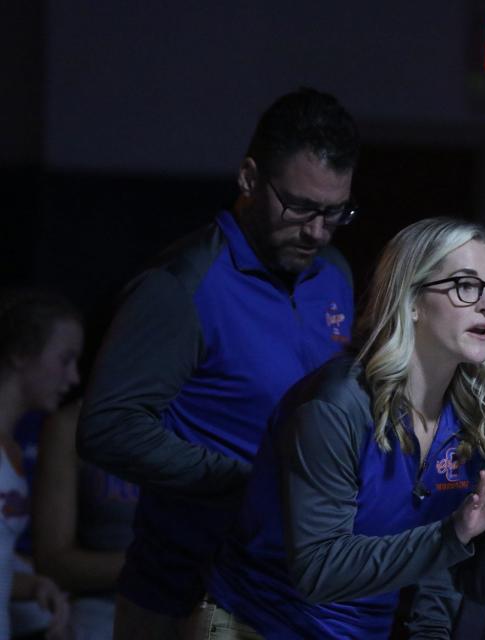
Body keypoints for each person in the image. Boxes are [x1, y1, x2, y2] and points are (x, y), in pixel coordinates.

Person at [77, 88, 359, 637]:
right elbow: (107, 429)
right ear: (249, 179)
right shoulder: (182, 285)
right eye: (300, 207)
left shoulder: (334, 274)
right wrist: (245, 481)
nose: (317, 231)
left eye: (335, 212)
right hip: (182, 593)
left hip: (295, 595)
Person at [195, 217, 485, 638]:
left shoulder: (477, 415)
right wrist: (453, 533)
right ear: (410, 301)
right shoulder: (335, 406)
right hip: (258, 623)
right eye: (465, 286)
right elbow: (318, 572)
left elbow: (439, 570)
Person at [0, 289, 78, 639]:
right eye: (65, 359)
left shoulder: (11, 449)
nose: (74, 377)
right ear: (19, 353)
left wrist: (29, 585)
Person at [34, 398, 139, 639]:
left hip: (187, 611)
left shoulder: (201, 418)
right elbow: (52, 561)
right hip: (100, 611)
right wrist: (153, 563)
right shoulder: (72, 425)